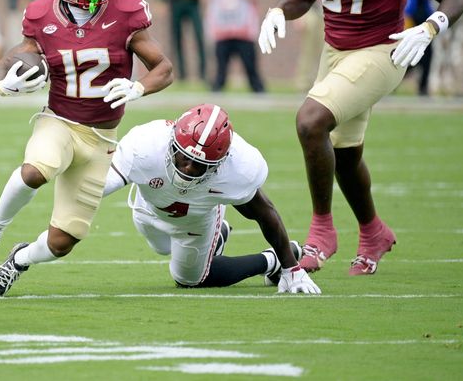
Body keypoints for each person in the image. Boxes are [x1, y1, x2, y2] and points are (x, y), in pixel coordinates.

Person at [258, 0, 463, 276]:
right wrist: (279, 10)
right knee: (346, 154)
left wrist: (429, 27)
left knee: (310, 121)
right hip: (335, 50)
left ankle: (322, 230)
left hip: (382, 52)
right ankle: (373, 231)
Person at [0, 0, 173, 297]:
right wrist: (0, 82)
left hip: (101, 139)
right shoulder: (42, 15)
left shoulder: (127, 12)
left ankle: (19, 260)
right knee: (36, 170)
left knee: (63, 240)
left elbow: (163, 67)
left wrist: (138, 87)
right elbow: (12, 57)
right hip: (59, 121)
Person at [104, 104, 321, 293]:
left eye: (198, 165)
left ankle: (269, 261)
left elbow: (264, 213)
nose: (187, 169)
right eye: (183, 157)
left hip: (196, 222)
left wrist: (290, 267)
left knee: (189, 279)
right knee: (161, 248)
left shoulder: (238, 169)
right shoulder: (145, 143)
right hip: (147, 209)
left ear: (219, 163)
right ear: (172, 142)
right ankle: (217, 237)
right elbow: (100, 184)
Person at [205, 0, 265, 93]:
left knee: (250, 66)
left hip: (243, 30)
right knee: (221, 67)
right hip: (223, 31)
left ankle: (258, 90)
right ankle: (217, 91)